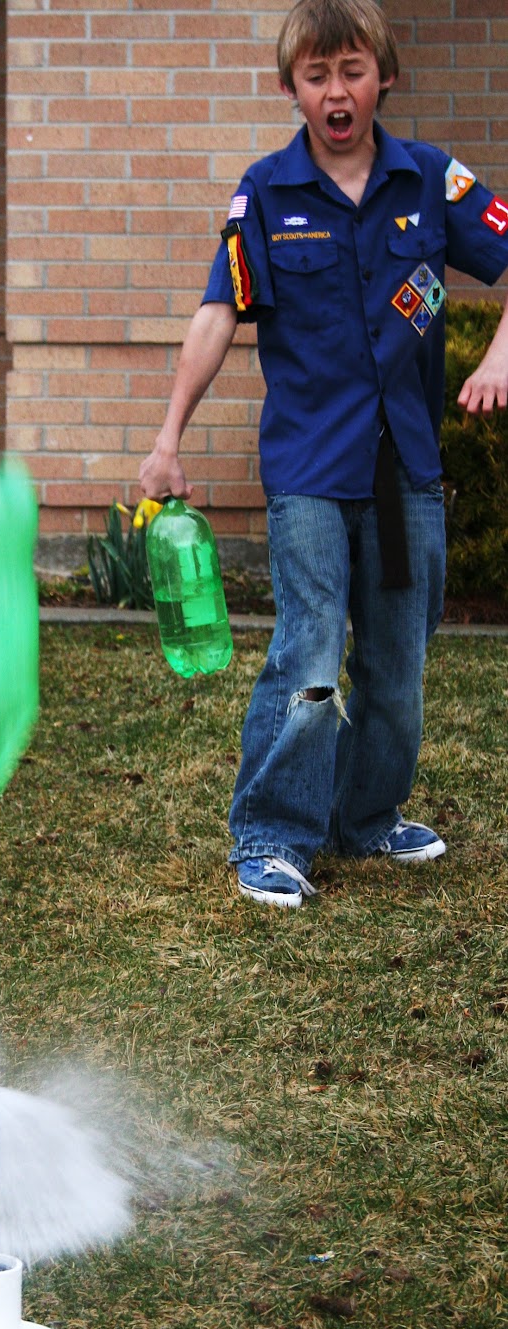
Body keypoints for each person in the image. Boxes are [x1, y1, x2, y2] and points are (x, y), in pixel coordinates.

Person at [139, 0, 508, 909]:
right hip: (308, 467)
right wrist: (166, 438)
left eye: (351, 70)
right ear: (290, 89)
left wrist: (498, 355)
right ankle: (270, 835)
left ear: (381, 75)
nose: (335, 91)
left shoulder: (431, 181)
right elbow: (217, 313)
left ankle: (364, 816)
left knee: (396, 663)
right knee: (308, 654)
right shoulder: (265, 193)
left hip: (407, 467)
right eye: (316, 76)